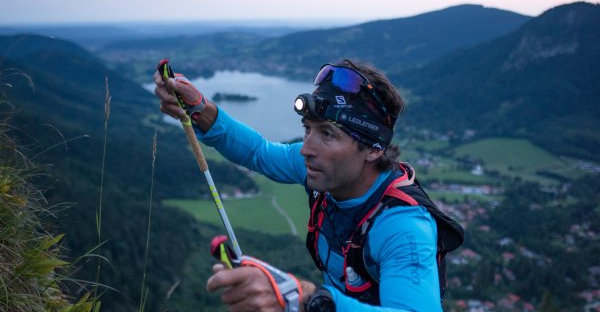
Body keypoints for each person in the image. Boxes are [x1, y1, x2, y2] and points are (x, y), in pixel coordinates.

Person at [153, 59, 463, 312]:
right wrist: (200, 109)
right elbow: (258, 152)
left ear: (373, 149)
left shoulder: (403, 227)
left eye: (328, 134)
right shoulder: (325, 170)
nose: (306, 149)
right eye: (307, 129)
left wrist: (304, 299)